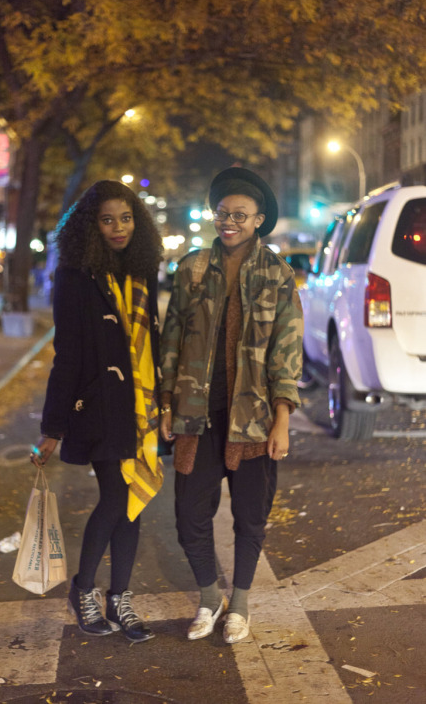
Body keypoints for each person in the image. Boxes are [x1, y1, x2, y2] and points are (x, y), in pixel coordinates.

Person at [160, 167, 303, 644]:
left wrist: (282, 419)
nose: (229, 222)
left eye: (239, 215)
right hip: (196, 416)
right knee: (189, 517)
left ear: (258, 220)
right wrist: (165, 404)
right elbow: (172, 341)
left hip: (255, 419)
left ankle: (238, 603)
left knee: (250, 517)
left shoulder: (278, 275)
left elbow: (287, 351)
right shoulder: (193, 269)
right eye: (223, 213)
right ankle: (208, 597)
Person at [31, 180, 164, 644]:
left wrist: (162, 403)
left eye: (126, 218)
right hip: (102, 404)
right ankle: (83, 590)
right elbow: (65, 353)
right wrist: (53, 426)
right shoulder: (74, 274)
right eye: (108, 220)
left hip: (141, 404)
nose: (118, 228)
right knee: (115, 496)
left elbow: (154, 342)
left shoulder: (141, 270)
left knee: (132, 502)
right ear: (92, 225)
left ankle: (120, 598)